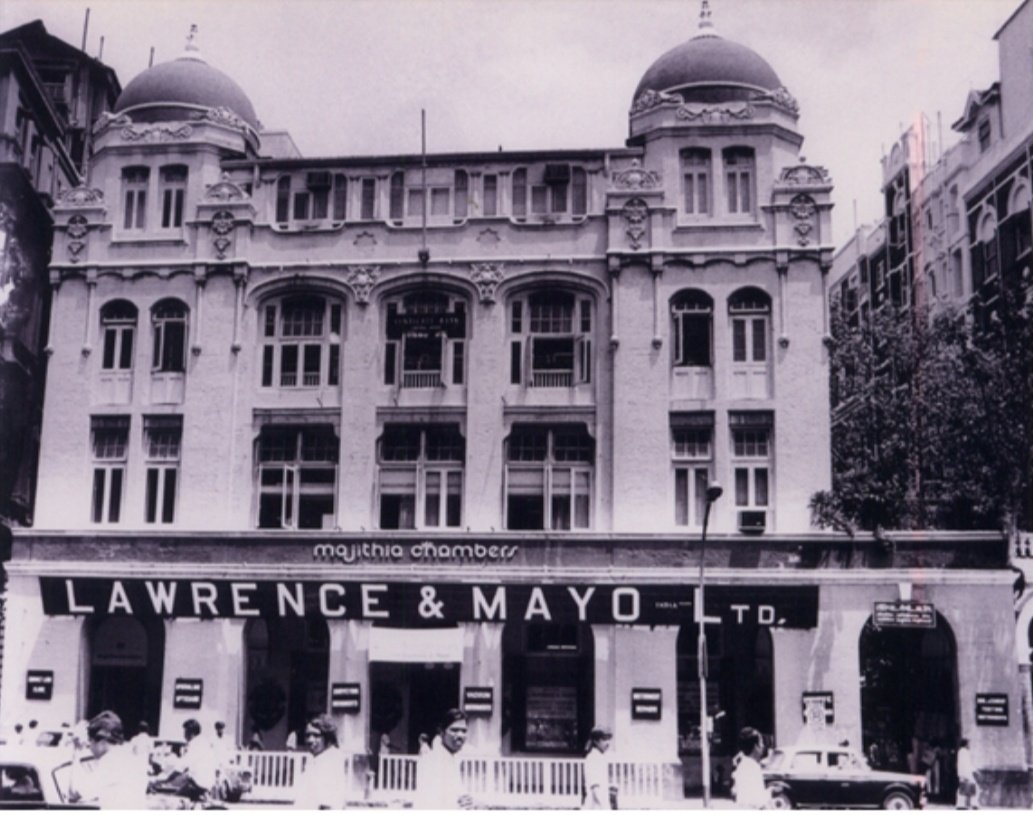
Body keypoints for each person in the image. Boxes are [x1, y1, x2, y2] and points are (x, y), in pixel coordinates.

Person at [67, 710, 148, 809]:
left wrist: (77, 752)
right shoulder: (127, 755)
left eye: (91, 742)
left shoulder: (110, 762)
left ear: (102, 741)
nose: (90, 748)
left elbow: (74, 793)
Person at [416, 709, 473, 810]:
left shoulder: (453, 759)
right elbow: (427, 805)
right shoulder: (431, 762)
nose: (460, 735)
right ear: (442, 732)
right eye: (454, 730)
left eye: (464, 731)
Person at [293, 714, 347, 810]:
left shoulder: (330, 762)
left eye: (316, 735)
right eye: (307, 735)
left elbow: (327, 804)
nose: (310, 740)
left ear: (328, 737)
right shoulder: (316, 758)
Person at [731, 727, 770, 809]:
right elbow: (759, 803)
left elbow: (735, 793)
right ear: (756, 746)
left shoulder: (743, 765)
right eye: (761, 743)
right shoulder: (752, 768)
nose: (763, 746)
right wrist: (770, 793)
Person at [583, 727, 616, 809]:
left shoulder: (600, 757)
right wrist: (605, 808)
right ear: (596, 741)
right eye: (604, 739)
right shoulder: (593, 758)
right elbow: (595, 788)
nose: (608, 743)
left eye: (609, 739)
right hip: (595, 805)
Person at [956, 738, 978, 810]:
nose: (969, 745)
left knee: (969, 789)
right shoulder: (963, 752)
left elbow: (968, 764)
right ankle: (964, 805)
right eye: (968, 743)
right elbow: (964, 764)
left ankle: (970, 804)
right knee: (965, 790)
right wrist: (964, 775)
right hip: (965, 774)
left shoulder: (963, 752)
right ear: (965, 744)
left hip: (966, 773)